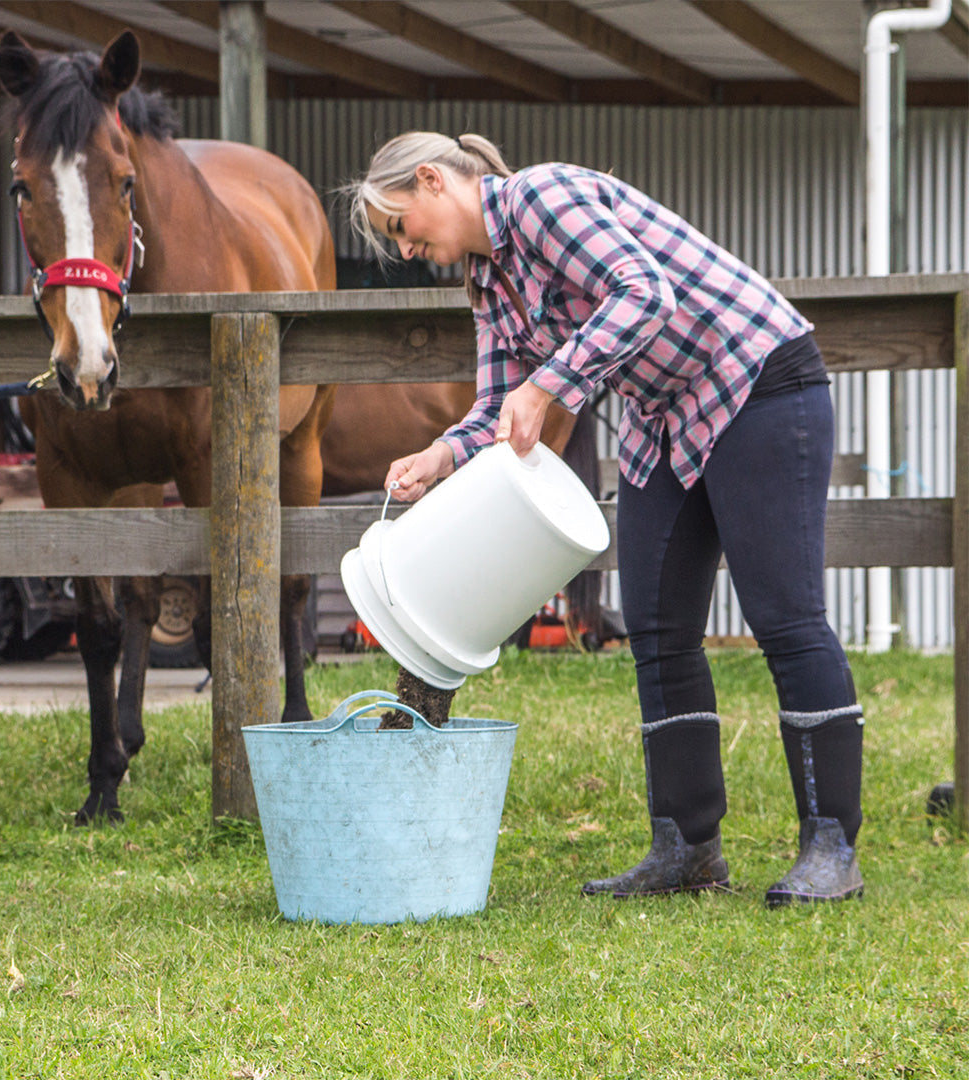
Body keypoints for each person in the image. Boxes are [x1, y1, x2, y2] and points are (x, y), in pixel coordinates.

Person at [346, 131, 865, 907]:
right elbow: (497, 404)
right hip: (668, 411)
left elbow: (645, 292)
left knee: (784, 617)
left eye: (400, 225)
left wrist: (552, 383)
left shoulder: (543, 198)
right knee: (657, 624)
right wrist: (440, 455)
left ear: (431, 181)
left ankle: (832, 847)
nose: (408, 247)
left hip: (757, 380)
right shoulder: (488, 284)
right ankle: (686, 847)